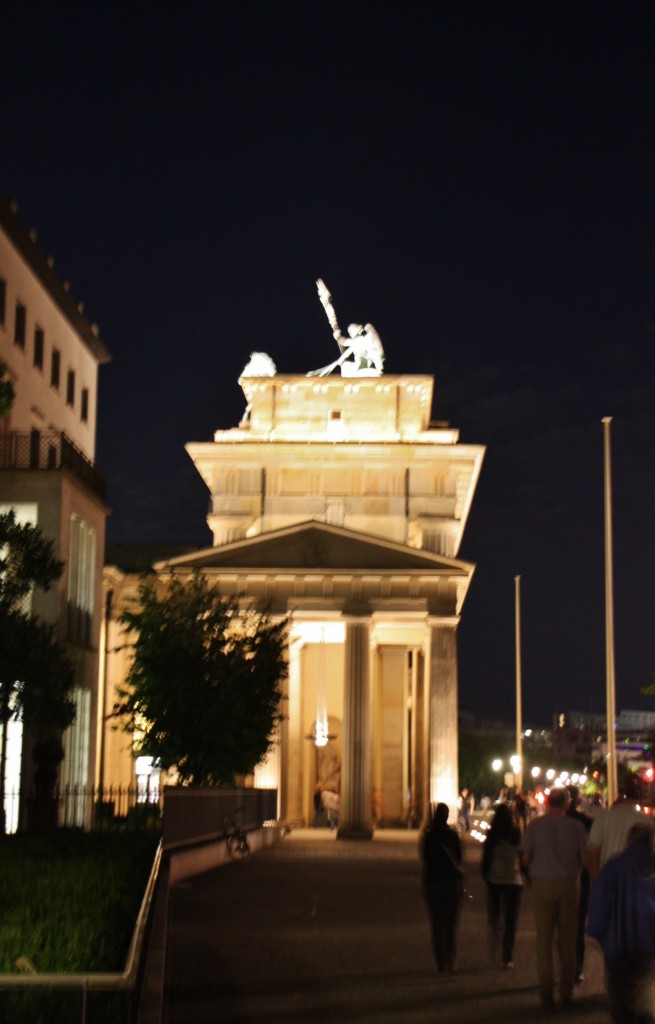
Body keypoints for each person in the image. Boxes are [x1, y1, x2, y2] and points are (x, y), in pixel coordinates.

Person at [520, 787, 589, 1010]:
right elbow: (585, 859)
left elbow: (525, 857)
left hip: (542, 884)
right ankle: (566, 992)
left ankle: (546, 993)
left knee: (544, 940)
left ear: (548, 803)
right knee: (567, 940)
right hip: (568, 885)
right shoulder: (576, 827)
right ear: (567, 804)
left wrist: (536, 868)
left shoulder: (535, 826)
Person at [588, 822, 655, 1024]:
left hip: (617, 946)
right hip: (649, 948)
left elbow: (599, 905)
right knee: (646, 1002)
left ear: (628, 840)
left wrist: (600, 934)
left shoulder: (613, 866)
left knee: (620, 1003)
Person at [420, 802, 465, 975]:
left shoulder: (429, 835)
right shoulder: (453, 835)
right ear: (447, 816)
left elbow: (425, 857)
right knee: (451, 924)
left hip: (433, 882)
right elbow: (459, 858)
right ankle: (451, 960)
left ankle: (440, 962)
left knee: (437, 924)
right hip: (452, 883)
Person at [481, 802, 523, 968]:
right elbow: (522, 855)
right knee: (511, 918)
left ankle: (495, 937)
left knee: (495, 913)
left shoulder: (492, 834)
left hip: (495, 878)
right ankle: (508, 954)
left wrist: (485, 874)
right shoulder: (517, 833)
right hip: (513, 879)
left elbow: (486, 857)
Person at [588, 774, 646, 880]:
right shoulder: (645, 821)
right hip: (635, 882)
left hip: (607, 879)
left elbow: (593, 853)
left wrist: (596, 881)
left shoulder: (604, 817)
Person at [566, 784, 593, 983]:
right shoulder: (585, 821)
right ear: (577, 799)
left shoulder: (555, 821)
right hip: (581, 877)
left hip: (559, 877)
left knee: (561, 925)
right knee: (578, 927)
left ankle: (565, 967)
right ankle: (578, 968)